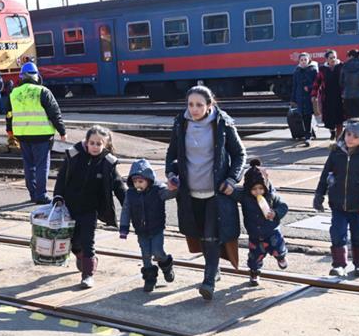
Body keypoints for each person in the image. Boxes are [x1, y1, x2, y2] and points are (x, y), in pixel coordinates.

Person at [166, 85, 246, 301]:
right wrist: (171, 174)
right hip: (190, 193)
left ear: (210, 105)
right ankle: (214, 268)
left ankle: (209, 280)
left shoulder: (222, 123)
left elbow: (239, 154)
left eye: (199, 105)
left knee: (211, 236)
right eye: (190, 104)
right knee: (200, 234)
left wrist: (232, 179)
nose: (194, 109)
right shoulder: (180, 123)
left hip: (216, 193)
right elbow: (172, 154)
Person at [53, 125, 125, 289]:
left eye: (99, 144)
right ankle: (80, 255)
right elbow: (62, 177)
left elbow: (118, 185)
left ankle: (88, 275)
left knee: (88, 242)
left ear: (105, 145)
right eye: (92, 143)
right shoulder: (74, 155)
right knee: (72, 241)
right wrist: (57, 196)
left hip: (90, 209)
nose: (95, 147)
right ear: (86, 142)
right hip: (69, 207)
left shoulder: (107, 163)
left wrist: (128, 204)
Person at [312, 118, 359, 277]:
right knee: (337, 233)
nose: (350, 139)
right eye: (348, 134)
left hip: (358, 205)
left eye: (355, 136)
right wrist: (319, 194)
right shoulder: (336, 153)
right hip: (337, 203)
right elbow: (325, 175)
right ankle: (339, 264)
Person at [7, 62, 67, 205]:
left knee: (29, 165)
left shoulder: (14, 93)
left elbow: (9, 115)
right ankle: (41, 195)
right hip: (42, 135)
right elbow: (54, 113)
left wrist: (10, 131)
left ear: (21, 77)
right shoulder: (43, 91)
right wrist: (62, 131)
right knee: (41, 165)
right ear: (37, 76)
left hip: (22, 135)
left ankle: (33, 194)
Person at [118, 158, 178, 292]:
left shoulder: (158, 190)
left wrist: (174, 186)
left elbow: (170, 193)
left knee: (158, 252)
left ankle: (166, 265)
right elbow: (126, 210)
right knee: (145, 255)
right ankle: (150, 279)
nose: (137, 184)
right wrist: (124, 228)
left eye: (141, 181)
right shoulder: (130, 194)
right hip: (141, 230)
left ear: (148, 180)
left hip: (156, 228)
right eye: (135, 182)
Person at [230, 159, 289, 287]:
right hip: (254, 234)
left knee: (278, 246)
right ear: (248, 189)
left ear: (265, 187)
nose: (258, 192)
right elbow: (234, 193)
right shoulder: (245, 197)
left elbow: (283, 206)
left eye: (261, 188)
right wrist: (228, 190)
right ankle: (254, 273)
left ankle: (281, 257)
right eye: (254, 189)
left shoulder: (271, 196)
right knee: (254, 256)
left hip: (271, 230)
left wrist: (275, 213)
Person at [311, 49, 344, 140]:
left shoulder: (342, 67)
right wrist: (314, 95)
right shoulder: (322, 70)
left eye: (334, 57)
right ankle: (332, 131)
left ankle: (338, 139)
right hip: (327, 98)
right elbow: (317, 83)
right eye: (331, 58)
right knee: (329, 120)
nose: (333, 59)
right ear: (326, 59)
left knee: (339, 119)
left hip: (339, 97)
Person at [289, 52, 318, 146]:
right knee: (304, 116)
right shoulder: (297, 72)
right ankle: (308, 135)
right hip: (300, 97)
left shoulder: (313, 70)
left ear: (309, 60)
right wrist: (293, 99)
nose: (303, 61)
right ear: (299, 61)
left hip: (310, 97)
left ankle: (308, 136)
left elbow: (317, 83)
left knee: (308, 115)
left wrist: (309, 88)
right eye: (301, 60)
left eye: (305, 59)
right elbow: (294, 86)